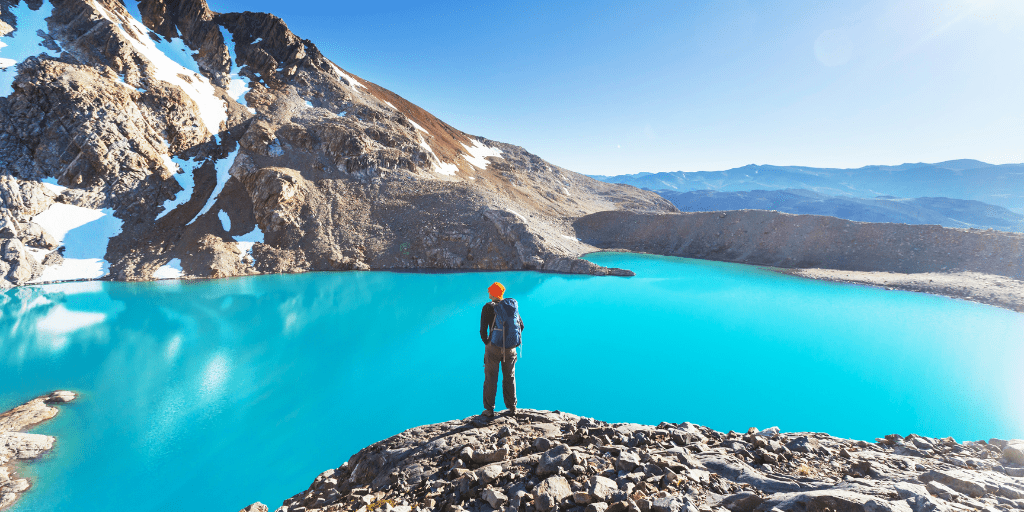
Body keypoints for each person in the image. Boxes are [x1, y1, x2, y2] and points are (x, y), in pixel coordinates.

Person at [480, 282, 524, 417]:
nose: (488, 293)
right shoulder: (510, 307)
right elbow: (521, 326)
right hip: (511, 349)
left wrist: (488, 342)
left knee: (491, 378)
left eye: (489, 291)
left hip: (494, 348)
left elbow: (483, 331)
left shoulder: (488, 307)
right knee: (509, 377)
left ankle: (489, 410)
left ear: (493, 293)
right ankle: (512, 407)